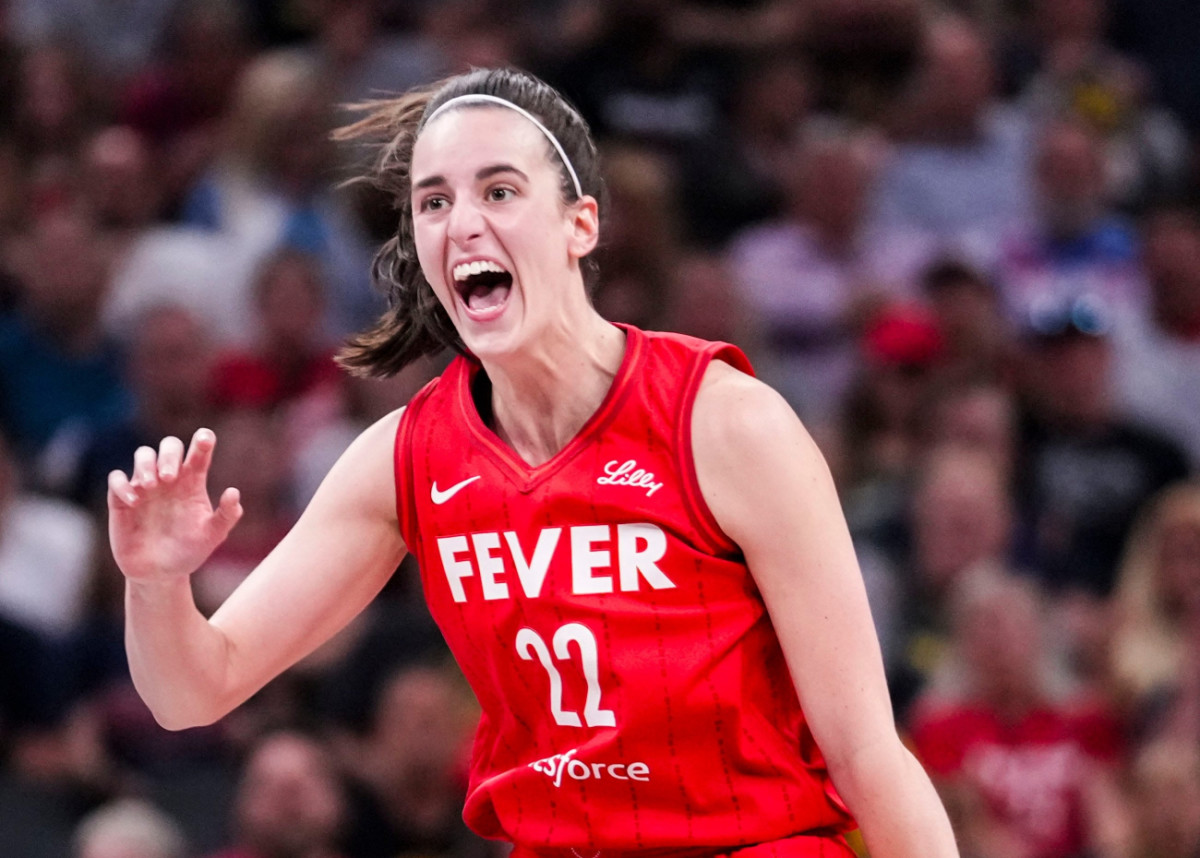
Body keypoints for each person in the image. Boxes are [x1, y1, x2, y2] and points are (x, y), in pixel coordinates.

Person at [108, 68, 959, 858]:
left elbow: (865, 754)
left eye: (500, 191)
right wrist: (156, 584)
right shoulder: (404, 460)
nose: (463, 221)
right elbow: (193, 691)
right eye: (433, 202)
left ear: (579, 223)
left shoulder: (728, 425)